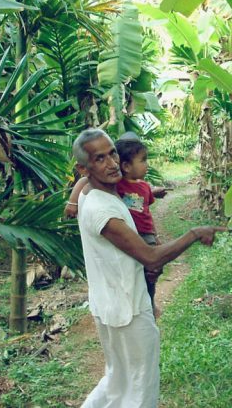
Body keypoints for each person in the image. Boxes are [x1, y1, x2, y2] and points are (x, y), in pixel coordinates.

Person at [72, 128, 225, 408]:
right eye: (99, 159)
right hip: (128, 309)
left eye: (112, 153)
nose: (111, 163)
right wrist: (193, 233)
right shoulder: (101, 209)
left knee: (117, 379)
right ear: (83, 168)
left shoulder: (97, 195)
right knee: (140, 387)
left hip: (111, 305)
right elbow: (151, 257)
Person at [65, 132, 167, 313]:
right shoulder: (117, 183)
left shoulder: (144, 186)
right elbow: (83, 181)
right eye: (142, 161)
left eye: (113, 155)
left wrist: (155, 236)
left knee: (153, 270)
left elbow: (147, 212)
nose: (146, 165)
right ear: (127, 166)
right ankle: (141, 302)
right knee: (142, 266)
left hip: (144, 234)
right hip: (126, 232)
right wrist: (72, 202)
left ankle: (149, 302)